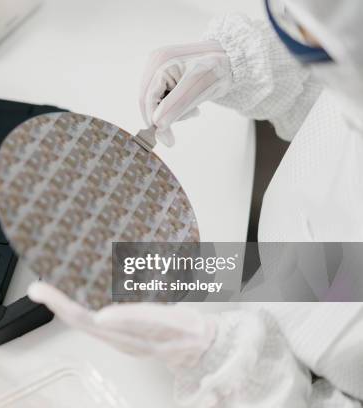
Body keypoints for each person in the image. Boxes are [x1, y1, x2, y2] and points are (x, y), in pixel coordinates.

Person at [28, 0, 363, 406]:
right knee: (123, 270)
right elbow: (338, 90)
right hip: (295, 271)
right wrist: (239, 63)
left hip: (326, 372)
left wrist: (231, 365)